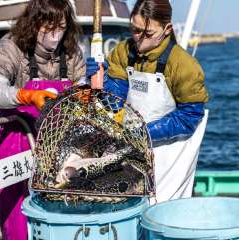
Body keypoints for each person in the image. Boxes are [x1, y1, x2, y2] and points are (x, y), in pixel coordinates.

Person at [0, 0, 85, 239]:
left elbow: (81, 86)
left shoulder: (72, 51)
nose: (55, 35)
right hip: (12, 138)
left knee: (60, 207)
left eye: (61, 27)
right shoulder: (12, 46)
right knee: (16, 215)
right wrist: (24, 95)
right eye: (48, 28)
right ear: (35, 24)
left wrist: (85, 95)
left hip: (55, 140)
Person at [86, 0, 208, 203]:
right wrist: (102, 81)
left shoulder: (184, 65)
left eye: (148, 34)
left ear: (167, 29)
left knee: (162, 211)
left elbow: (189, 117)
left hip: (169, 155)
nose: (139, 40)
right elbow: (115, 101)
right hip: (129, 147)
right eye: (135, 30)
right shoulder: (124, 51)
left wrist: (145, 133)